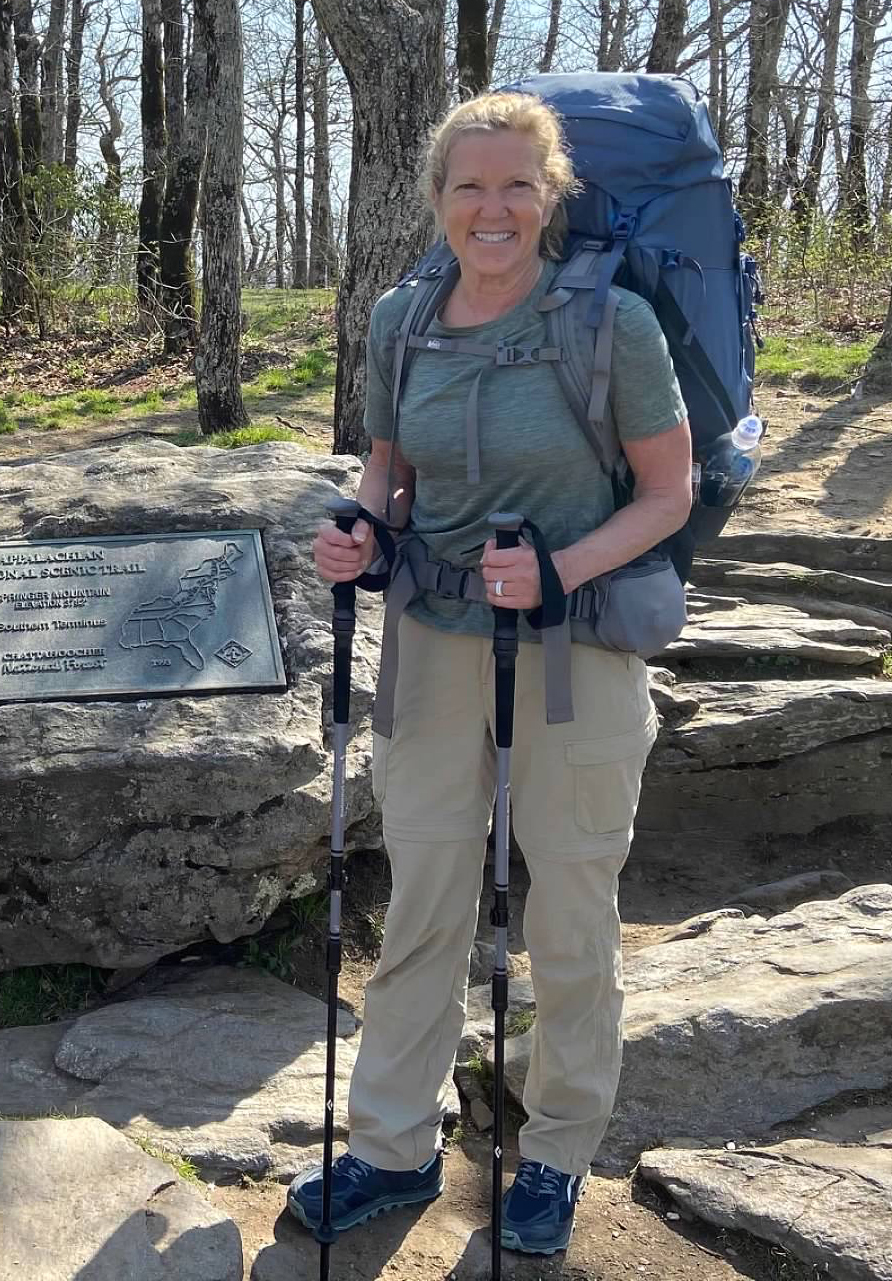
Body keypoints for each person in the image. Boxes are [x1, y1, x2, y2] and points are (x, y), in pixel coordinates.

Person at [291, 91, 692, 1255]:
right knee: (421, 898)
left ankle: (555, 1153)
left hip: (574, 651)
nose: (493, 207)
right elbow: (387, 474)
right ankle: (387, 1148)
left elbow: (664, 496)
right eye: (469, 186)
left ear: (551, 194)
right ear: (437, 200)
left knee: (569, 906)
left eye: (517, 183)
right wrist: (359, 536)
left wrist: (560, 569)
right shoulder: (400, 320)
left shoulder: (609, 324)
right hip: (430, 646)